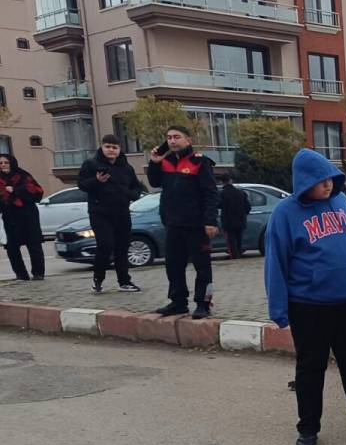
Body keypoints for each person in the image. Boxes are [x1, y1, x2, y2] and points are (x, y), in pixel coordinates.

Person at [264, 148, 346, 445]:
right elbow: (276, 262)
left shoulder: (342, 202)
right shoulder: (285, 213)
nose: (328, 184)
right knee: (311, 367)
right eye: (321, 181)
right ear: (305, 181)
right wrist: (278, 309)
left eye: (331, 178)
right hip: (309, 305)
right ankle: (308, 428)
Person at [148, 125, 218, 319]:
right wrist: (154, 162)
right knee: (173, 265)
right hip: (173, 223)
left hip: (196, 225)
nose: (172, 141)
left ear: (188, 140)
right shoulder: (166, 162)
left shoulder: (200, 162)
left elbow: (210, 193)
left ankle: (203, 303)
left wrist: (210, 221)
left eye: (177, 137)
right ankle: (178, 302)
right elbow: (154, 182)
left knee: (202, 267)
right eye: (169, 137)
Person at [78, 135, 145, 293]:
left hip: (121, 212)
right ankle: (98, 278)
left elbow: (137, 187)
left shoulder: (126, 167)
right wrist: (96, 181)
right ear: (101, 147)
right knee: (106, 245)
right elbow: (82, 184)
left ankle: (124, 281)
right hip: (100, 213)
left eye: (114, 147)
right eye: (107, 146)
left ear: (119, 149)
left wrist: (130, 194)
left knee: (122, 247)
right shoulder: (91, 164)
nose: (111, 150)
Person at [0, 153, 45, 281]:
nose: (3, 165)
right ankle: (21, 275)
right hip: (9, 216)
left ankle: (38, 273)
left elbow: (37, 191)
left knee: (34, 244)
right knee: (12, 247)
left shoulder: (22, 175)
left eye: (6, 162)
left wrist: (15, 190)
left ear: (12, 163)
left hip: (27, 215)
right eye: (1, 163)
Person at [218, 175, 251, 259]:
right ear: (230, 181)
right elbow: (248, 207)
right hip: (241, 220)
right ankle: (239, 254)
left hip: (228, 222)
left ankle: (235, 257)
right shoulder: (241, 192)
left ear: (221, 182)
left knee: (231, 242)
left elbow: (218, 205)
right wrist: (243, 214)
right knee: (239, 240)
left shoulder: (222, 194)